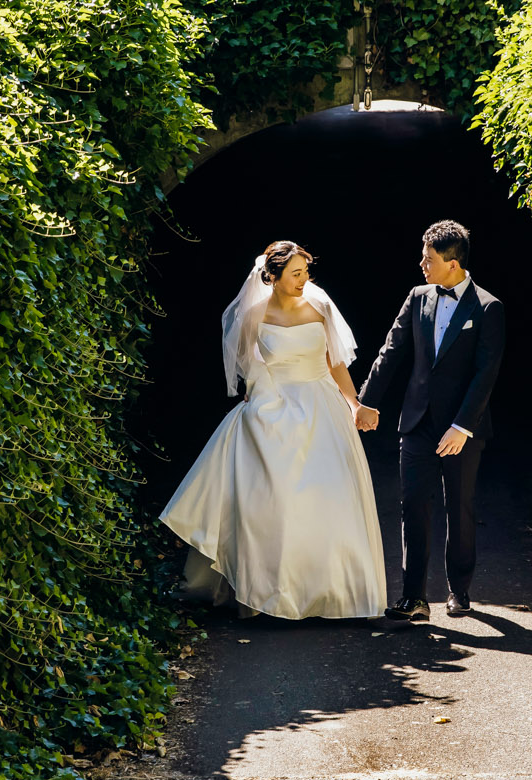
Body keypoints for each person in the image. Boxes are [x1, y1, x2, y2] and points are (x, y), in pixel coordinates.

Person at [161, 241, 387, 619]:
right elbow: (249, 363)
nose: (304, 280)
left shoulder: (320, 306)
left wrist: (354, 404)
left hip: (320, 406)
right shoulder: (254, 315)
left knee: (328, 497)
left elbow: (335, 363)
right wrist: (259, 398)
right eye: (295, 273)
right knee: (273, 501)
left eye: (306, 272)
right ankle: (271, 595)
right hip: (273, 405)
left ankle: (336, 595)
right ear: (273, 277)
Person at [355, 220, 505, 620]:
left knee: (460, 507)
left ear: (453, 264)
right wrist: (365, 401)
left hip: (462, 427)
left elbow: (485, 373)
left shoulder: (488, 307)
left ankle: (459, 591)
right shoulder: (417, 296)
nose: (422, 264)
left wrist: (462, 426)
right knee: (413, 507)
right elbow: (391, 351)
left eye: (429, 259)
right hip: (417, 421)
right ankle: (414, 597)